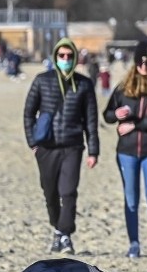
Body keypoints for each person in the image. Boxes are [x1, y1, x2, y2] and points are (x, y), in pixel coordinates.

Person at [23, 38, 100, 255]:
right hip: (46, 147)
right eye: (61, 56)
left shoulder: (84, 85)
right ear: (55, 57)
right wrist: (33, 143)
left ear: (75, 58)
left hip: (73, 146)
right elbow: (28, 113)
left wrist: (93, 150)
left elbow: (91, 121)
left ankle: (65, 235)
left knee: (68, 192)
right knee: (50, 193)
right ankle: (57, 229)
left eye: (69, 56)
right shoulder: (41, 81)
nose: (65, 60)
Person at [103, 42, 147, 258]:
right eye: (140, 61)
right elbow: (106, 115)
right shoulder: (124, 88)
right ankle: (134, 244)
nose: (143, 66)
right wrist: (117, 114)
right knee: (131, 198)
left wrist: (135, 125)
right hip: (127, 150)